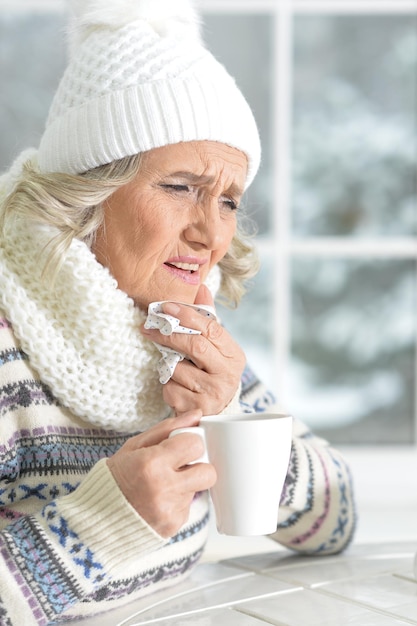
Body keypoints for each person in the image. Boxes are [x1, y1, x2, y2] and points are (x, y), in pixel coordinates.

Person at [0, 0, 356, 623]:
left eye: (227, 201)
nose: (210, 234)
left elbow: (336, 519)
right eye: (180, 186)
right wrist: (96, 529)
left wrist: (234, 418)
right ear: (88, 189)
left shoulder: (176, 332)